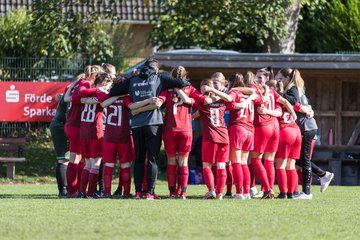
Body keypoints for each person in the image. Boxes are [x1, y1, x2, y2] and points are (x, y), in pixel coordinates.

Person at [109, 58, 191, 200]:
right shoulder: (159, 78)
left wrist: (131, 81)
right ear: (156, 69)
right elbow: (183, 83)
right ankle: (150, 193)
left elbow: (113, 92)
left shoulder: (133, 80)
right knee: (152, 159)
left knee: (139, 159)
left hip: (136, 124)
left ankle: (138, 192)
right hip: (153, 124)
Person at [277, 68, 334, 199]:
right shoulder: (297, 88)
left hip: (306, 128)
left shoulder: (293, 88)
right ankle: (322, 175)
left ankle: (308, 191)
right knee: (299, 160)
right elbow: (300, 105)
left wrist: (279, 93)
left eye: (280, 78)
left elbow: (294, 102)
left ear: (287, 78)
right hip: (305, 128)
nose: (279, 81)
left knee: (304, 160)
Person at [160, 66, 208, 199]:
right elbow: (202, 101)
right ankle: (183, 193)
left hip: (170, 129)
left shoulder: (167, 89)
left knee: (171, 162)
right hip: (185, 129)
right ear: (186, 76)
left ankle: (172, 193)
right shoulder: (190, 89)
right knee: (183, 162)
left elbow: (159, 102)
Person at [250, 67, 297, 199]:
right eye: (256, 76)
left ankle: (268, 189)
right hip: (275, 127)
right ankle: (269, 190)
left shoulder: (258, 90)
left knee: (256, 160)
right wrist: (293, 115)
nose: (256, 79)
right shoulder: (272, 91)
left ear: (267, 79)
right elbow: (286, 103)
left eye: (260, 77)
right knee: (269, 161)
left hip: (263, 126)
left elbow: (256, 97)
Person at [63, 65, 104, 197]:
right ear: (94, 75)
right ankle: (73, 191)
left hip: (72, 124)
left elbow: (67, 96)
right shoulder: (85, 83)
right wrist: (97, 90)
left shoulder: (79, 82)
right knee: (75, 159)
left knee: (81, 159)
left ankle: (79, 190)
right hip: (76, 125)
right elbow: (78, 95)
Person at [192, 78, 233, 200]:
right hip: (224, 137)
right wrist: (193, 117)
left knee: (207, 165)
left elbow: (197, 101)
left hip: (210, 137)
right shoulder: (222, 99)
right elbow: (229, 99)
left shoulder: (202, 101)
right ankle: (220, 193)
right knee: (221, 166)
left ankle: (211, 191)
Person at [268, 80, 302, 199]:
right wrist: (308, 110)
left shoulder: (274, 99)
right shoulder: (290, 100)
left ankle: (283, 193)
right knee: (291, 166)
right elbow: (299, 107)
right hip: (296, 131)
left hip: (285, 131)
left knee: (280, 166)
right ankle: (291, 193)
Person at [227, 73, 257, 200]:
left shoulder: (234, 93)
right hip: (250, 130)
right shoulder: (248, 94)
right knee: (244, 163)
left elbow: (229, 102)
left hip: (238, 127)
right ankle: (246, 192)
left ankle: (239, 192)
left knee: (236, 162)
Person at [49, 91, 70, 198]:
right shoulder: (70, 96)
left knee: (69, 158)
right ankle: (63, 191)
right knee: (64, 159)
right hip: (61, 126)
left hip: (60, 125)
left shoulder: (69, 94)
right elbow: (68, 115)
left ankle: (66, 189)